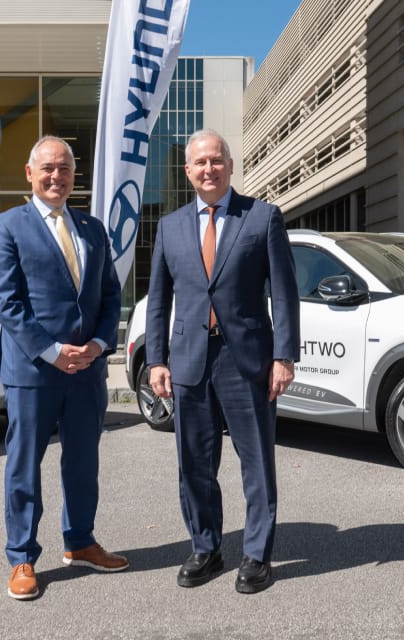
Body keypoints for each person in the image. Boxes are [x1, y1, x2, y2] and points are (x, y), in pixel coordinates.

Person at [144, 129, 300, 594]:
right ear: (188, 171)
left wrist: (283, 356)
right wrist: (156, 359)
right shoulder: (170, 227)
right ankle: (206, 548)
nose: (208, 169)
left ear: (230, 166)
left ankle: (256, 556)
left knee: (255, 461)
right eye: (199, 162)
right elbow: (158, 300)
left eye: (216, 160)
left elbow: (285, 295)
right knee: (194, 463)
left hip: (245, 360)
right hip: (189, 359)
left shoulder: (263, 217)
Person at [0, 135, 128, 601]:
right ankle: (22, 557)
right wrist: (51, 351)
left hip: (87, 369)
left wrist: (100, 344)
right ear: (30, 173)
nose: (56, 176)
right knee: (25, 465)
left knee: (83, 462)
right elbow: (6, 302)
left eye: (64, 169)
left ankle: (81, 541)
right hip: (33, 371)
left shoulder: (91, 229)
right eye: (47, 168)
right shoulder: (8, 226)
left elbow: (111, 296)